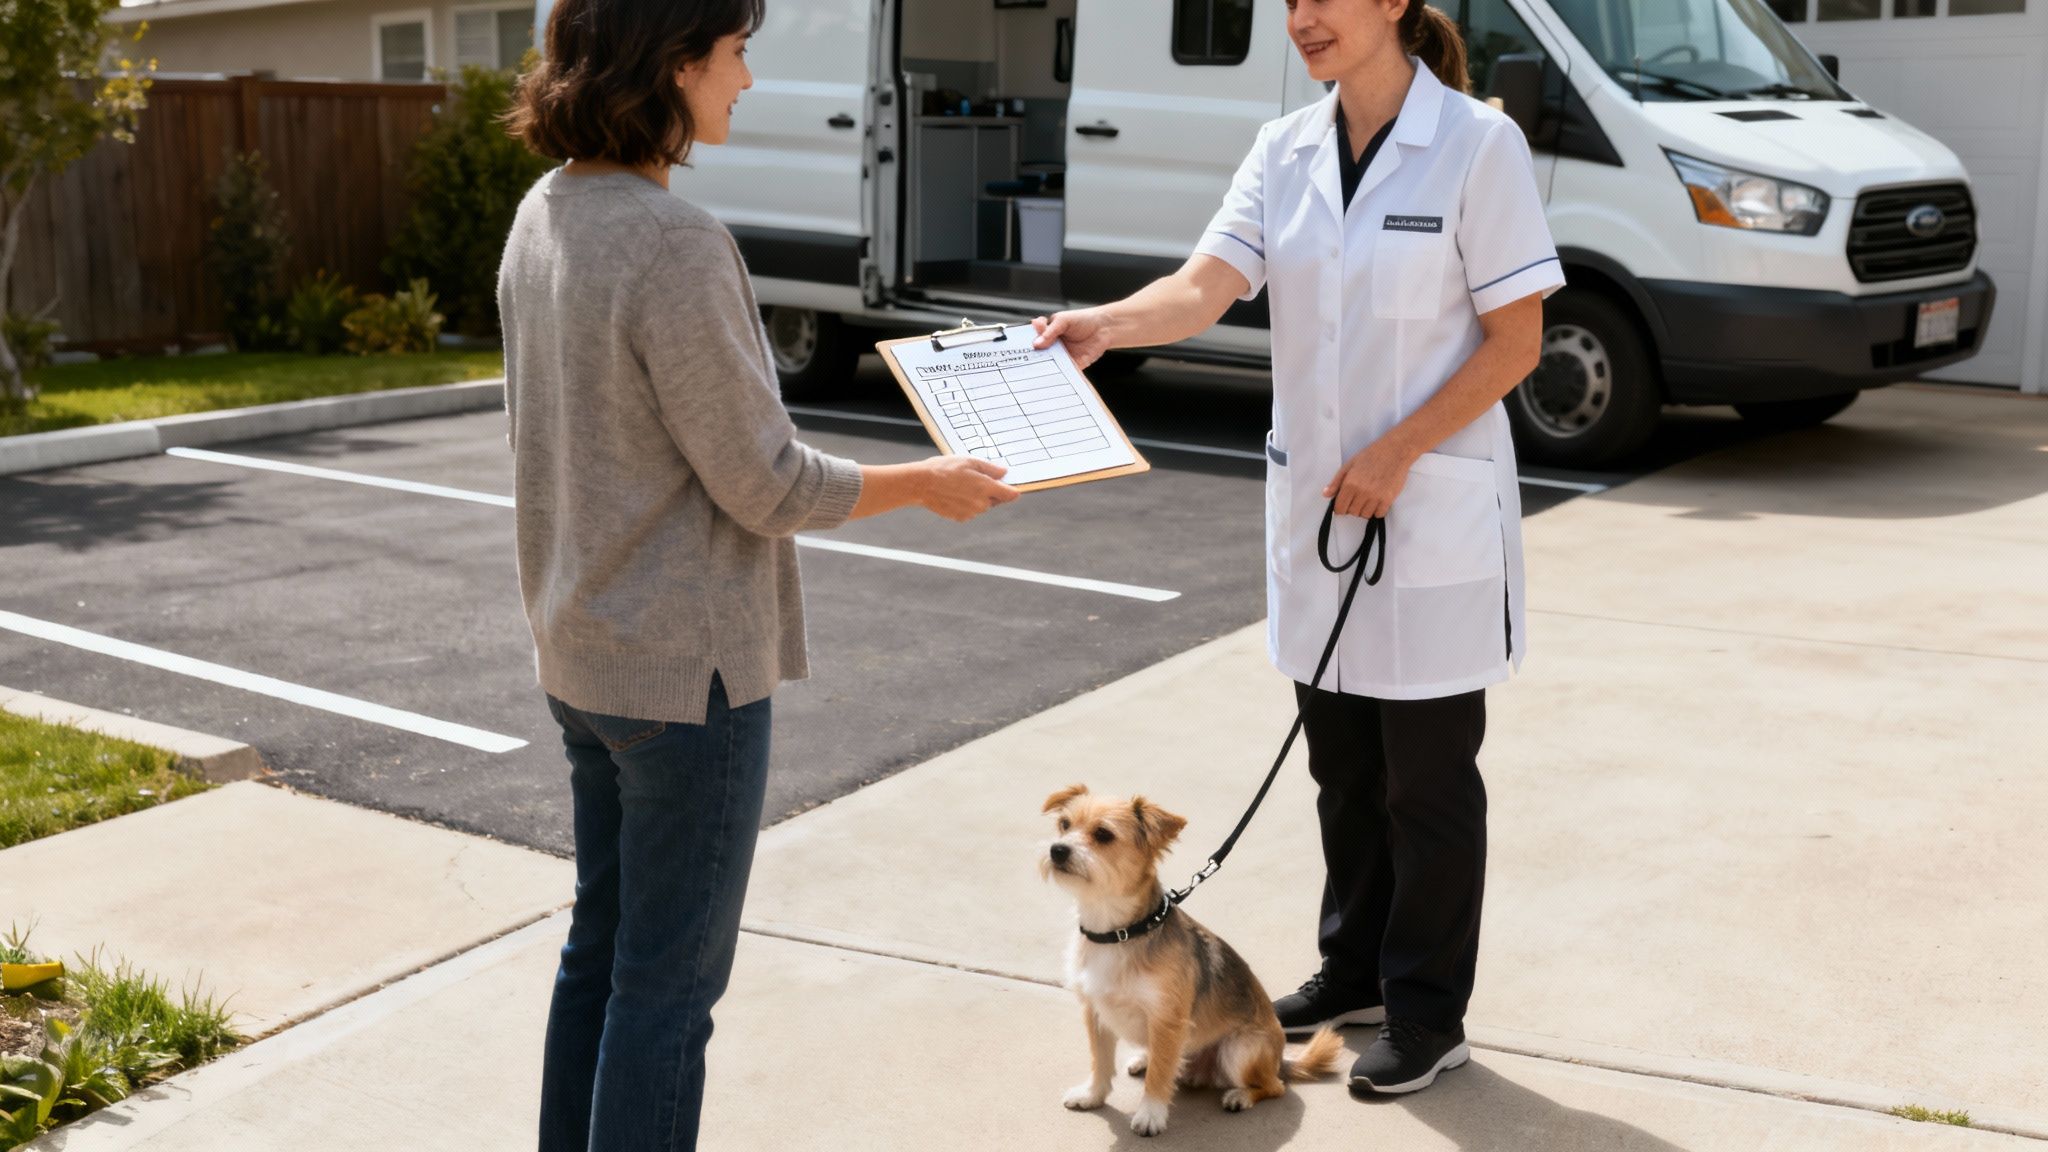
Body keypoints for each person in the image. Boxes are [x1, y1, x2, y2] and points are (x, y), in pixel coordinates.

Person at [499, 0, 1019, 1146]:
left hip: (579, 656)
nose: (746, 81)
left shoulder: (545, 212)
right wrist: (924, 481)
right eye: (735, 56)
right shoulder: (673, 242)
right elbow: (767, 483)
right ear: (674, 65)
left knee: (603, 954)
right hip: (684, 682)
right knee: (666, 989)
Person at [1032, 0, 1560, 1096]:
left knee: (1425, 782)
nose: (1302, 17)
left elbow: (1517, 340)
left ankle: (1425, 1012)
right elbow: (1202, 287)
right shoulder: (1283, 149)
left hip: (1424, 516)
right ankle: (1353, 966)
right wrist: (1103, 328)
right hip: (1318, 519)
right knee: (1339, 768)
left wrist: (1399, 452)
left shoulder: (1475, 143)